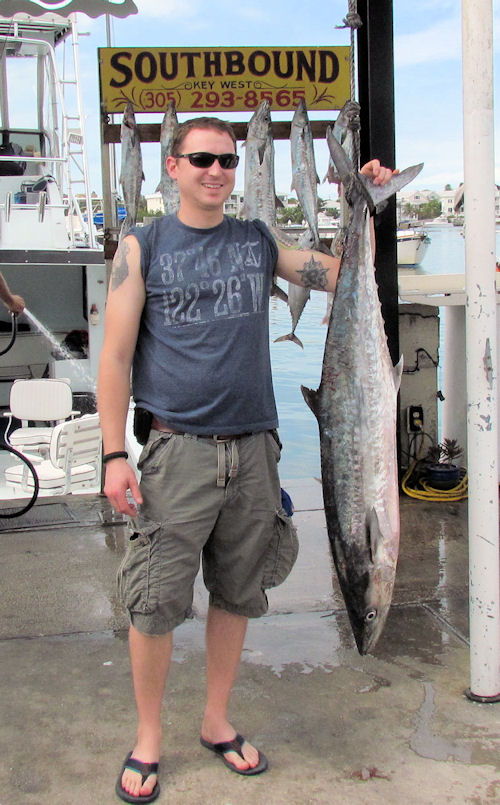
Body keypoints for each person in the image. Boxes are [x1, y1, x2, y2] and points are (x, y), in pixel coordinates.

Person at [97, 115, 396, 804]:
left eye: (228, 161)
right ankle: (148, 737)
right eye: (202, 158)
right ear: (172, 166)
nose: (217, 171)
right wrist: (116, 452)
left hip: (257, 449)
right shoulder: (142, 246)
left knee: (239, 591)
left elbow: (342, 276)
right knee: (154, 601)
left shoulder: (258, 242)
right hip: (178, 452)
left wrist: (368, 203)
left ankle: (216, 720)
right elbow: (112, 357)